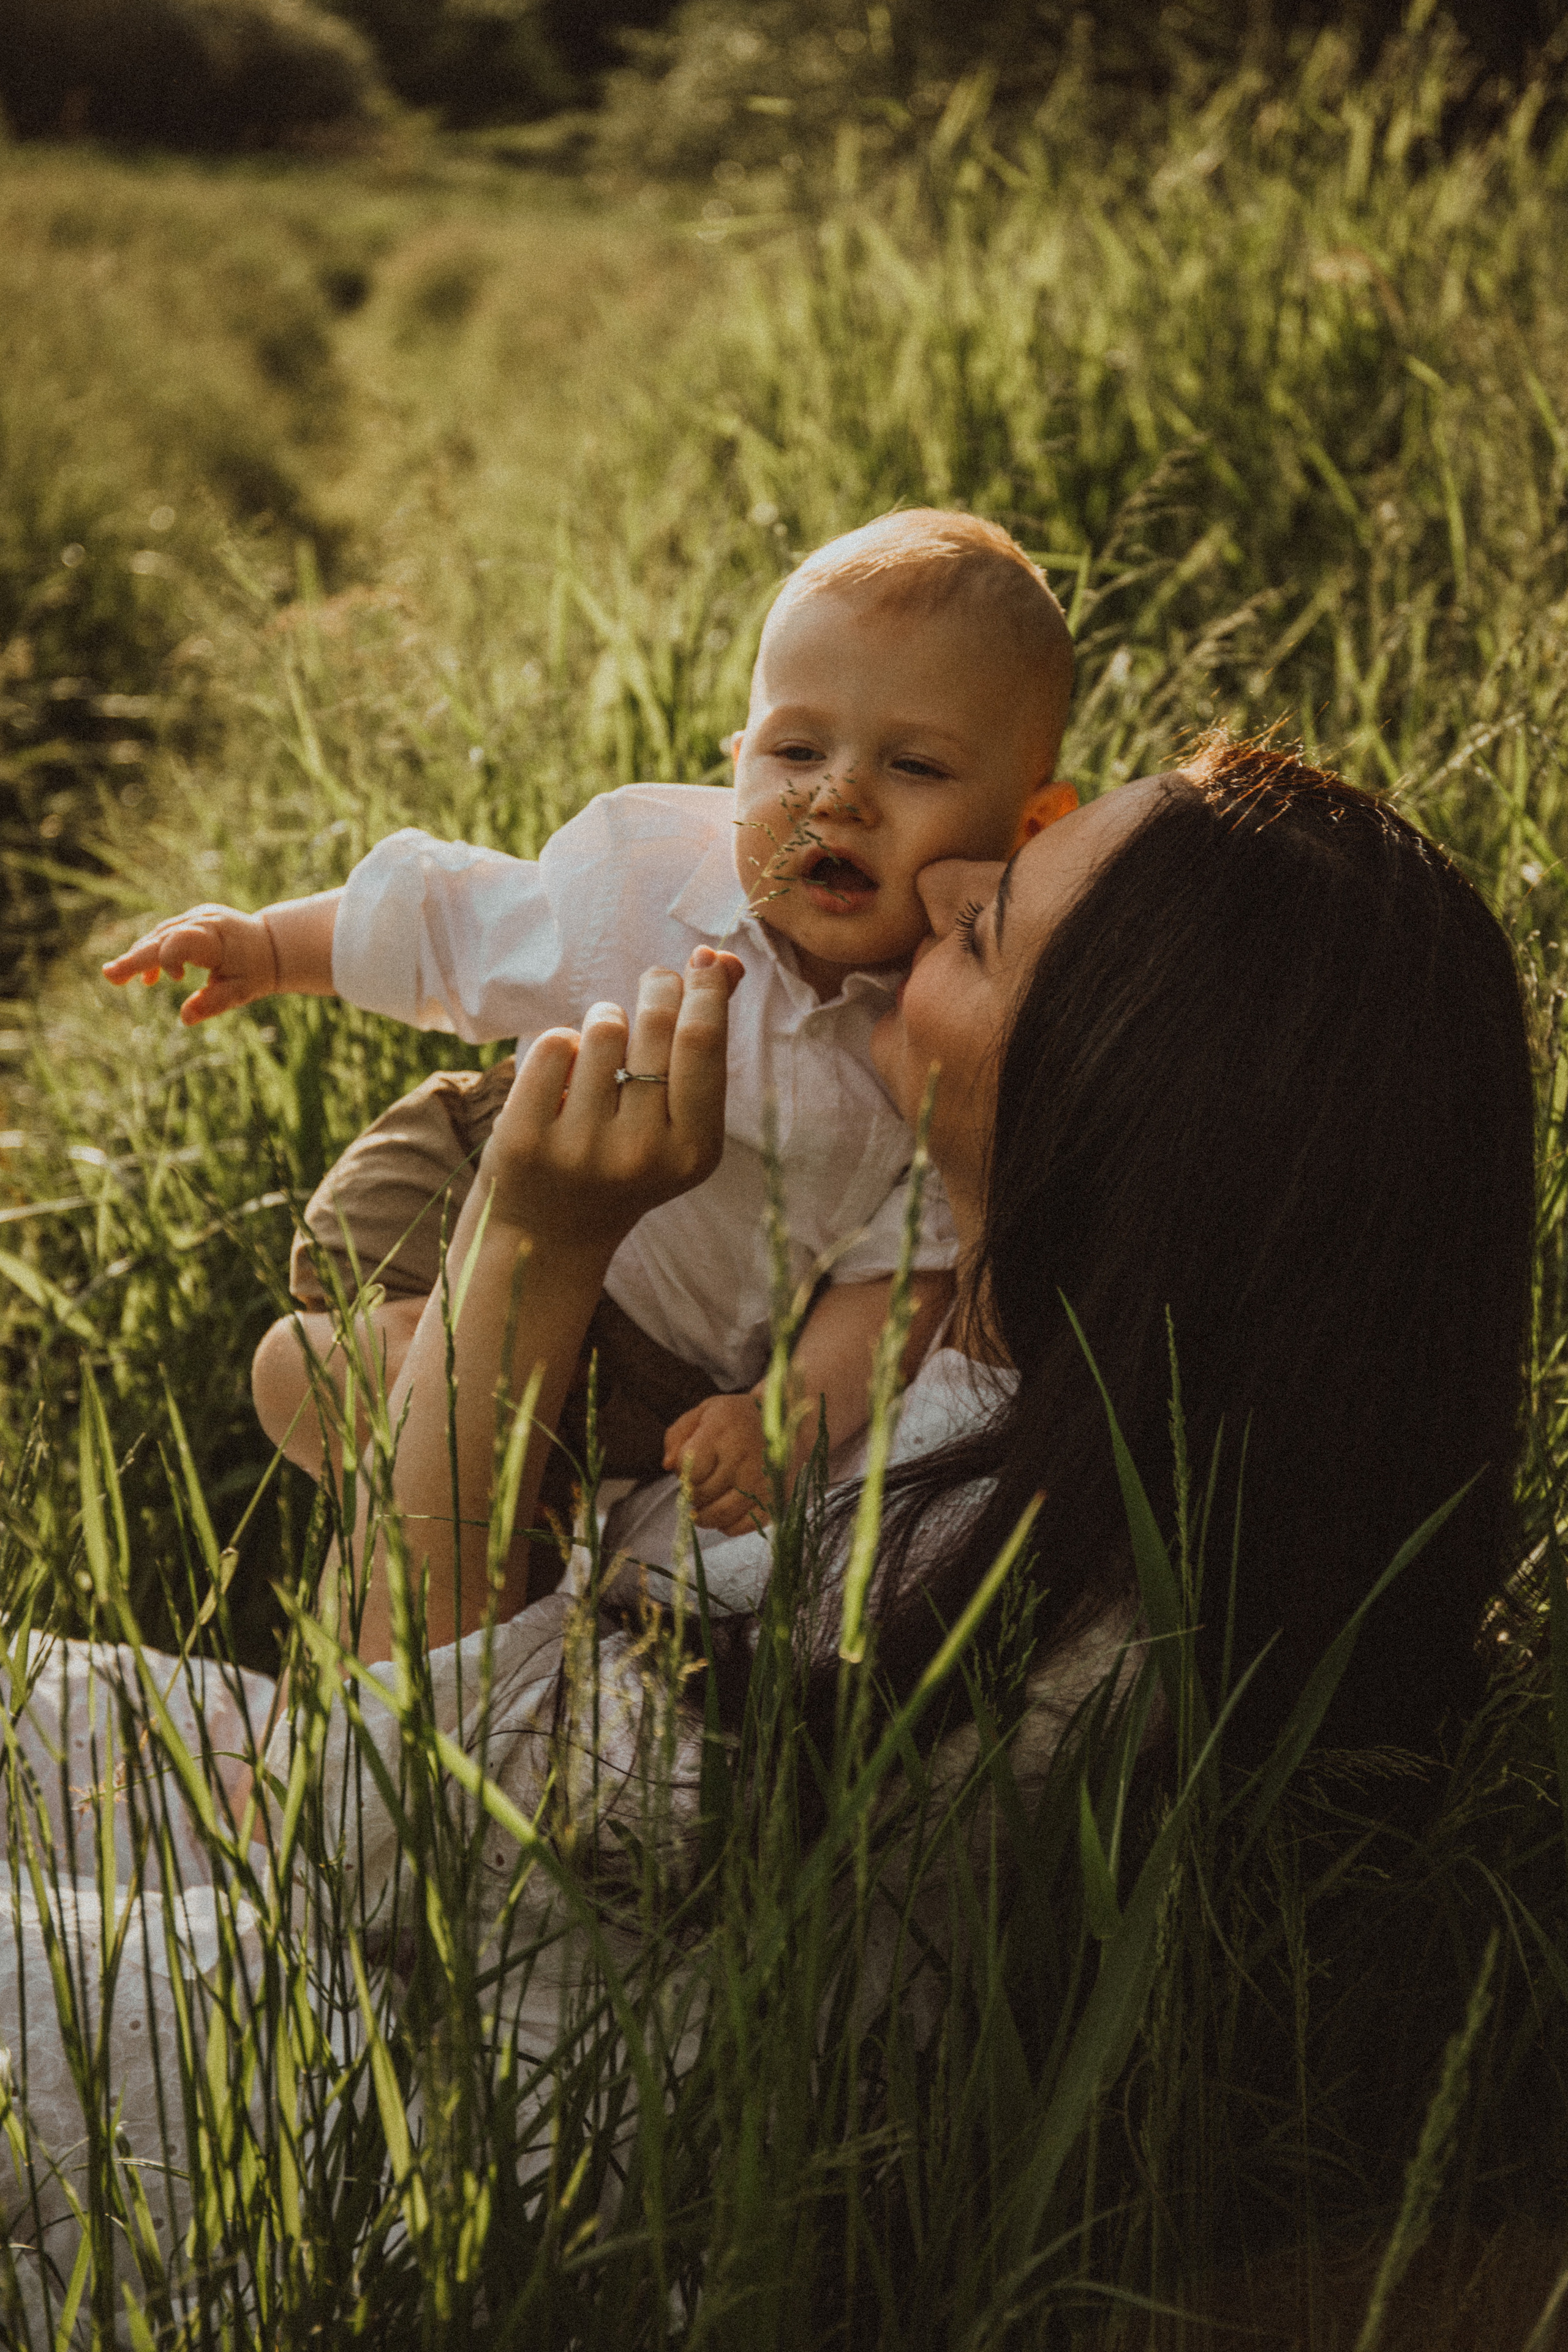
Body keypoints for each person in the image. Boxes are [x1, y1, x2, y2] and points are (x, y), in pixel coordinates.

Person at [7, 742, 1535, 2337]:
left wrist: (527, 1247)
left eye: (989, 925)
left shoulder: (970, 1585)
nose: (943, 882)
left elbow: (384, 1837)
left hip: (438, 2111)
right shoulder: (1015, 1387)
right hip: (465, 1897)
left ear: (1102, 1110)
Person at [101, 510, 1080, 1562]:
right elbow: (451, 921)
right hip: (476, 1174)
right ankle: (438, 1441)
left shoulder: (953, 1040)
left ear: (1032, 829)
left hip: (651, 1355)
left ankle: (483, 1513)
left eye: (916, 768)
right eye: (797, 749)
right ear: (737, 761)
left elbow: (904, 1277)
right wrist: (271, 948)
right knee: (305, 1368)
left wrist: (786, 1411)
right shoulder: (651, 883)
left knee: (388, 1417)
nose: (838, 796)